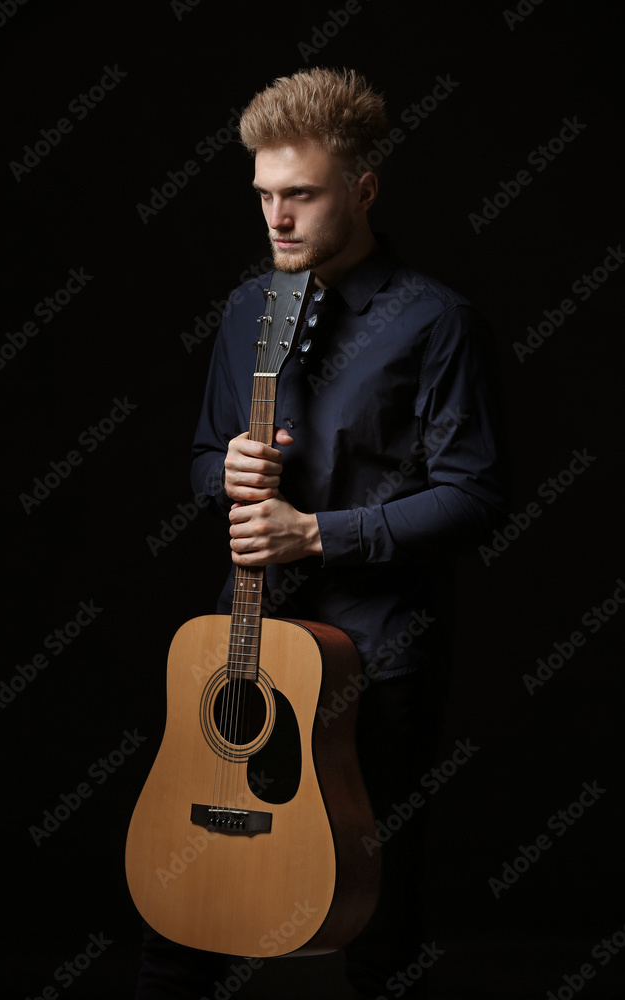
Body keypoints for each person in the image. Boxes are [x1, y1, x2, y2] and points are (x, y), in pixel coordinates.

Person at [135, 68, 508, 1000]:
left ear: (362, 189)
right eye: (263, 195)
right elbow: (198, 463)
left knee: (373, 920)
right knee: (183, 914)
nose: (277, 218)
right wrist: (220, 474)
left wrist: (317, 533)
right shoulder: (244, 311)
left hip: (376, 662)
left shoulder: (434, 321)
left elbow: (476, 496)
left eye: (298, 193)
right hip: (244, 652)